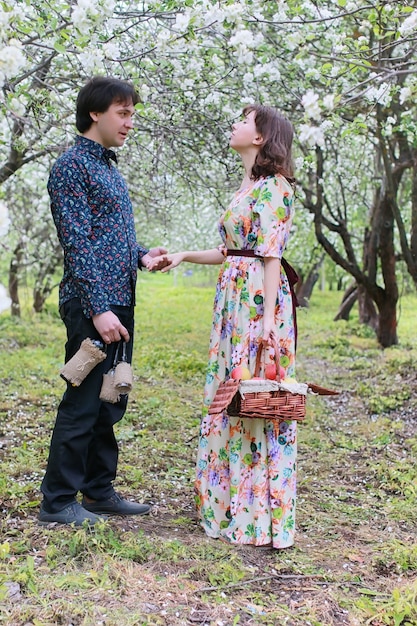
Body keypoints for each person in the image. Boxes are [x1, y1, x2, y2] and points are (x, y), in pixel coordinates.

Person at [148, 104, 297, 549]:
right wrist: (183, 255)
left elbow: (270, 257)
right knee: (230, 397)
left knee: (253, 399)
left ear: (260, 137)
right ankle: (229, 505)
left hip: (255, 304)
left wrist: (268, 320)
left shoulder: (275, 187)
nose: (234, 124)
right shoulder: (248, 186)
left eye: (244, 119)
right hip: (233, 301)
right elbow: (233, 251)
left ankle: (257, 517)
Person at [39, 76, 168, 527]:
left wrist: (141, 255)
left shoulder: (107, 168)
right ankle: (57, 501)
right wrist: (98, 308)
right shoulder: (71, 166)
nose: (130, 122)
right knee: (83, 399)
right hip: (95, 304)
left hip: (117, 301)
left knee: (110, 401)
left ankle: (97, 491)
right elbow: (77, 245)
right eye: (123, 112)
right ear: (95, 112)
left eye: (132, 113)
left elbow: (106, 241)